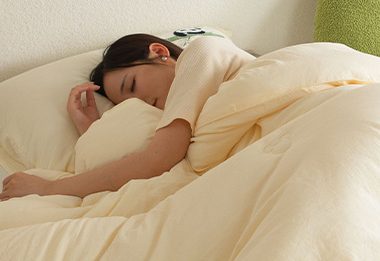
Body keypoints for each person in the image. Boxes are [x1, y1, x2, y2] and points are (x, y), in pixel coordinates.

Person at [0, 32, 254, 202]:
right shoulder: (181, 119)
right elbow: (137, 165)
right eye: (129, 103)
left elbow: (156, 160)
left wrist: (48, 189)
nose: (140, 101)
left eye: (132, 85)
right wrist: (94, 132)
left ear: (159, 52)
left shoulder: (202, 52)